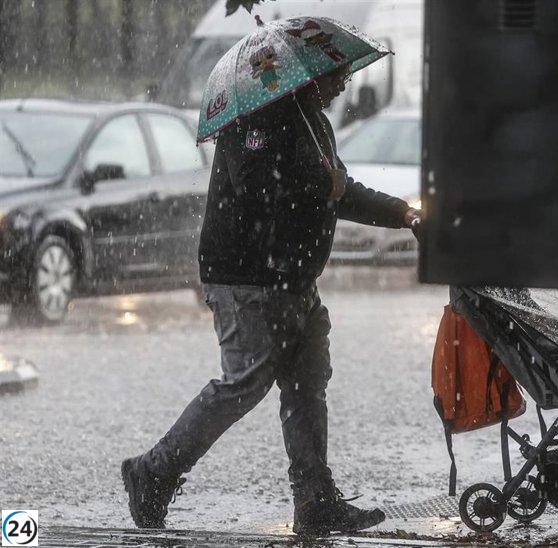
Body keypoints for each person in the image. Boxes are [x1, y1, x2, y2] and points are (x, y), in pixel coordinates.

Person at [121, 64, 421, 536]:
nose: (344, 82)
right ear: (310, 74)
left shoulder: (311, 118)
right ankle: (153, 473)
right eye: (337, 73)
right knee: (245, 381)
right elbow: (257, 189)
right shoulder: (256, 119)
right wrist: (322, 185)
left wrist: (403, 213)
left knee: (306, 387)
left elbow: (340, 191)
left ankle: (316, 502)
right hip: (248, 278)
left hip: (295, 278)